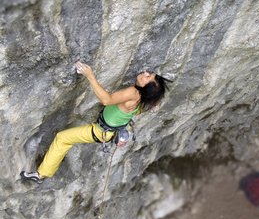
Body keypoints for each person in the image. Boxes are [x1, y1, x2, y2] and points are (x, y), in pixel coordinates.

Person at [20, 61, 170, 184]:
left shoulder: (133, 93)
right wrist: (152, 107)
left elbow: (106, 100)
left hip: (99, 131)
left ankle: (40, 175)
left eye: (148, 77)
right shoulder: (143, 100)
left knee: (62, 138)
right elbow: (134, 110)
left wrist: (90, 75)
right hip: (109, 132)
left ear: (146, 88)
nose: (145, 73)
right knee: (64, 138)